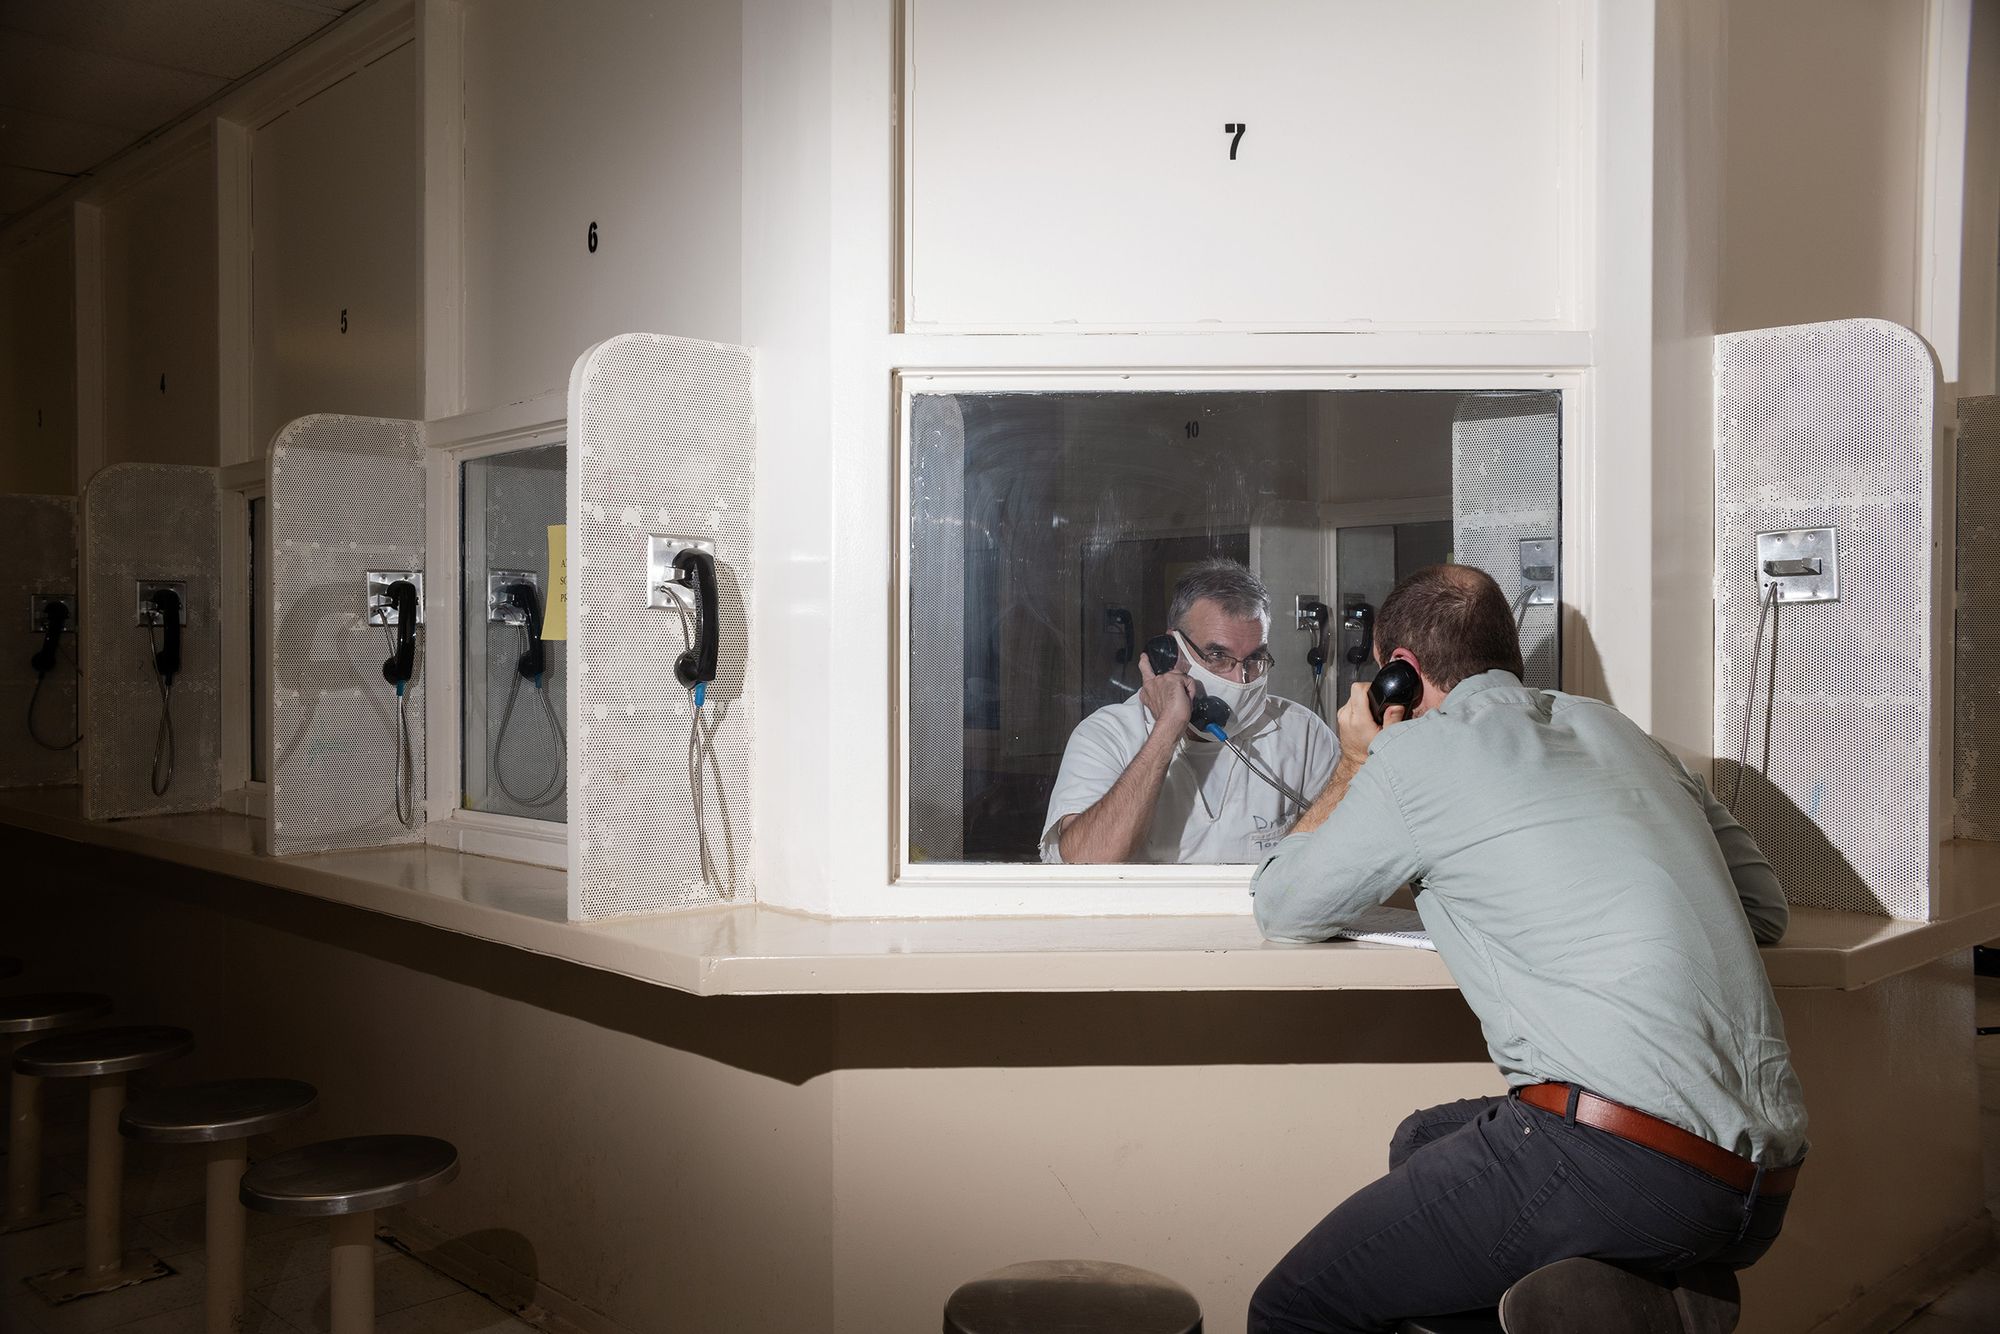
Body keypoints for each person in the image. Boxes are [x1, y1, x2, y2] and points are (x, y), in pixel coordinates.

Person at [1247, 564, 1806, 1334]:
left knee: (1292, 1307)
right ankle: (1631, 1306)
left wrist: (1355, 762)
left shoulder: (1415, 759)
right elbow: (1764, 908)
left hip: (1617, 1165)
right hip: (1761, 1181)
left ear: (1398, 676)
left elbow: (1281, 905)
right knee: (1424, 1142)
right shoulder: (1623, 733)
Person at [1042, 559, 1337, 864]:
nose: (1240, 680)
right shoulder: (1106, 735)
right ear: (1171, 651)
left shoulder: (1303, 733)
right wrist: (1166, 730)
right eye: (1218, 656)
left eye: (1254, 659)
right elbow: (1085, 860)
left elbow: (1349, 853)